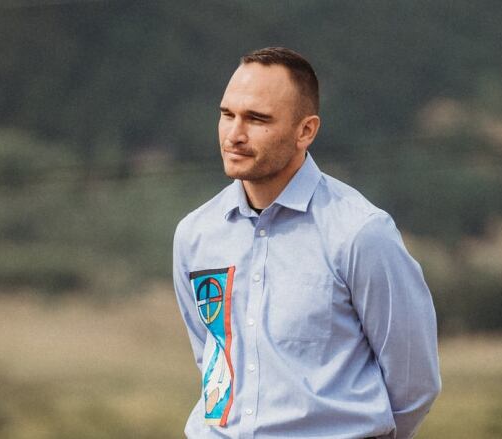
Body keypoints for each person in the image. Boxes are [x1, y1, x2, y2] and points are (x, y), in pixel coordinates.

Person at [172, 47, 441, 439]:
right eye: (227, 114)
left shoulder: (361, 233)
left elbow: (415, 383)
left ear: (306, 131)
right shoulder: (195, 234)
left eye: (257, 119)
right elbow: (212, 361)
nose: (235, 134)